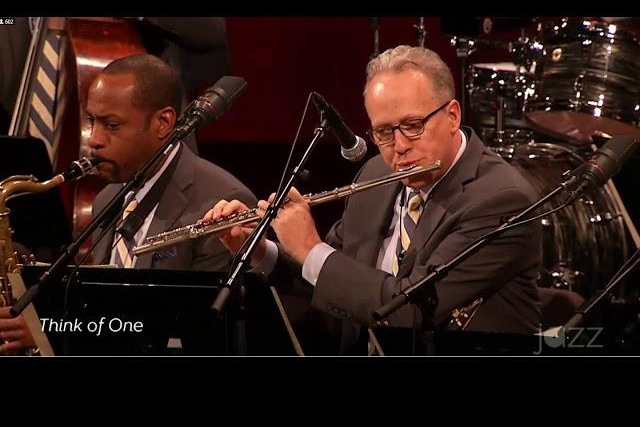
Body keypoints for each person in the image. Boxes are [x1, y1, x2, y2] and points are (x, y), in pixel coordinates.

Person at [204, 45, 542, 354]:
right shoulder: (376, 174)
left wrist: (310, 249)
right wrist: (263, 251)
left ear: (452, 116)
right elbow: (333, 285)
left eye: (413, 125)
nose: (399, 146)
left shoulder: (502, 200)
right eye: (383, 132)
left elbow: (410, 310)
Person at [0, 53, 255, 354]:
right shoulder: (108, 197)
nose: (93, 139)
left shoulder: (221, 203)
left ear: (163, 122)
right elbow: (100, 306)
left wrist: (56, 332)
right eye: (92, 121)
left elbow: (191, 335)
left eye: (111, 125)